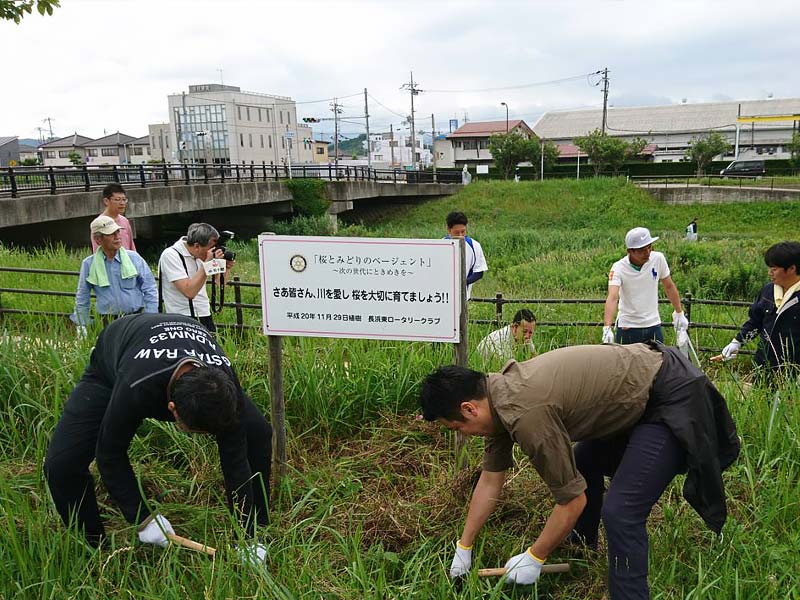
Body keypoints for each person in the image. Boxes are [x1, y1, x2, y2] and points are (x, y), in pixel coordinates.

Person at [420, 342, 739, 598]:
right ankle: (581, 549)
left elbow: (572, 501)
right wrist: (464, 547)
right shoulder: (497, 396)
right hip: (638, 391)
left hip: (670, 394)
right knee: (584, 460)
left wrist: (535, 556)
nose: (463, 434)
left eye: (457, 428)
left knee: (621, 512)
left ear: (468, 408)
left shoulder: (527, 414)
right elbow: (490, 482)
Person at [44, 313, 272, 563]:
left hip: (180, 344)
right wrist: (142, 517)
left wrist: (247, 536)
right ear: (172, 410)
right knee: (62, 465)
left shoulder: (225, 383)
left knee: (258, 433)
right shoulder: (136, 385)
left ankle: (257, 533)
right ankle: (93, 549)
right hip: (114, 362)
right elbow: (109, 452)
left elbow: (235, 459)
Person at [713, 241, 800, 373]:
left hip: (794, 368)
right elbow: (756, 322)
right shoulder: (767, 291)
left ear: (792, 268)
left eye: (774, 269)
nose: (770, 273)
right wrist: (737, 342)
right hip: (763, 365)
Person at [603, 227, 688, 346]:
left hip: (653, 324)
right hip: (628, 326)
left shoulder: (657, 258)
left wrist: (679, 313)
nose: (647, 253)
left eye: (649, 247)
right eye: (642, 250)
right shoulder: (618, 268)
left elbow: (669, 286)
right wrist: (607, 327)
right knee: (627, 363)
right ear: (630, 251)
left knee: (657, 362)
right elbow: (613, 297)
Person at [72, 215, 157, 331]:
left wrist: (150, 316)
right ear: (98, 240)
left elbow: (150, 287)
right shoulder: (89, 264)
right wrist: (81, 325)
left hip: (136, 317)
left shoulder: (134, 258)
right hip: (107, 320)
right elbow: (82, 295)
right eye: (111, 234)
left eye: (118, 232)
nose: (117, 237)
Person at [158, 223, 232, 332]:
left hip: (204, 313)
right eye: (211, 248)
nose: (213, 252)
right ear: (197, 246)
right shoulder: (171, 255)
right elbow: (189, 292)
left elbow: (219, 283)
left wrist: (226, 267)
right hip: (181, 317)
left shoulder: (202, 255)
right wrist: (206, 264)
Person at [444, 211, 488, 300]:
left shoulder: (474, 245)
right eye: (456, 233)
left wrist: (463, 283)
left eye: (463, 232)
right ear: (449, 229)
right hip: (442, 297)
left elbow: (479, 272)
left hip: (463, 297)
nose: (460, 236)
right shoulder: (441, 244)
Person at [92, 183, 136, 252]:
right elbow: (97, 251)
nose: (122, 203)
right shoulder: (99, 223)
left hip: (127, 261)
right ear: (106, 201)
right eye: (117, 199)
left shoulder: (125, 221)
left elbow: (131, 246)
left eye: (124, 199)